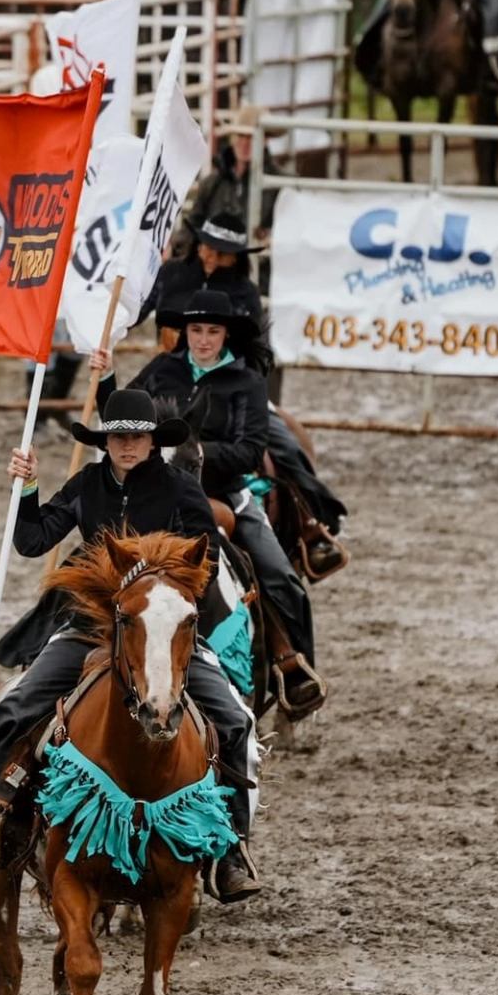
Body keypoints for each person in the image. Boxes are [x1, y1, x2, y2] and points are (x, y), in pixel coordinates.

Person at [0, 390, 262, 903]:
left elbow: (205, 564)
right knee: (18, 704)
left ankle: (231, 848)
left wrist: (150, 583)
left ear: (154, 440)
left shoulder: (181, 489)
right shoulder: (87, 483)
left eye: (136, 436)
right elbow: (32, 541)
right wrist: (26, 489)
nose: (127, 445)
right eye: (118, 436)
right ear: (105, 441)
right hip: (89, 629)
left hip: (164, 631)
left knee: (235, 719)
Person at [118, 289, 324, 715]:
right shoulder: (161, 368)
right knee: (95, 556)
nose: (204, 339)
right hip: (156, 490)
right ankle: (53, 640)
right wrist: (105, 383)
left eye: (213, 331)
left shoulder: (247, 380)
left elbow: (250, 451)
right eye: (196, 330)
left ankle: (295, 667)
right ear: (185, 331)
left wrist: (195, 452)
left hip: (223, 491)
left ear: (226, 334)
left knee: (279, 574)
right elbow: (124, 418)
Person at [143, 213, 265, 352]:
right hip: (170, 363)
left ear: (235, 257)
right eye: (209, 249)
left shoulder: (247, 293)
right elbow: (140, 307)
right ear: (199, 246)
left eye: (222, 254)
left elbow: (257, 343)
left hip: (224, 368)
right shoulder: (170, 272)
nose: (212, 258)